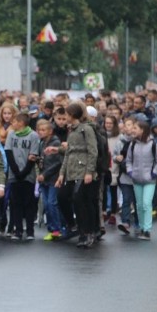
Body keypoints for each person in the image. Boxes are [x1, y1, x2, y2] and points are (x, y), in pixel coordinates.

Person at [56, 102, 99, 248]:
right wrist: (62, 173)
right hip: (71, 171)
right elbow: (68, 153)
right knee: (62, 197)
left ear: (73, 115)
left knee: (80, 200)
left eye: (67, 114)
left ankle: (87, 232)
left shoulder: (86, 129)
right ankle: (73, 225)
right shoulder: (72, 130)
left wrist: (89, 171)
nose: (65, 117)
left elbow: (93, 151)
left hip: (83, 170)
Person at [126, 120, 157, 240]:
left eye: (135, 128)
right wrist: (131, 172)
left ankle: (147, 229)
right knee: (139, 205)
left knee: (147, 204)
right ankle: (142, 227)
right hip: (136, 179)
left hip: (149, 180)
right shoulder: (132, 145)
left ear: (142, 130)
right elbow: (128, 160)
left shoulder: (153, 144)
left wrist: (154, 173)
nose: (133, 130)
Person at [4, 112, 40, 240]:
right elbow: (8, 152)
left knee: (28, 202)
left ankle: (30, 231)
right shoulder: (11, 134)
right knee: (15, 203)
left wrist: (24, 173)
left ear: (21, 123)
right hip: (14, 174)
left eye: (14, 121)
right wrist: (15, 171)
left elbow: (33, 155)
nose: (12, 123)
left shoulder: (33, 136)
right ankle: (18, 230)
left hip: (28, 174)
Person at [35, 119, 65, 240]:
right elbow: (42, 160)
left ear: (50, 131)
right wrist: (36, 159)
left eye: (43, 130)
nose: (41, 132)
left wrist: (45, 174)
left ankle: (58, 228)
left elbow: (57, 162)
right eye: (39, 130)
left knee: (52, 203)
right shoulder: (42, 143)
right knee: (46, 204)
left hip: (53, 178)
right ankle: (51, 228)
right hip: (44, 179)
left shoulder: (55, 142)